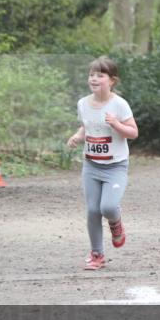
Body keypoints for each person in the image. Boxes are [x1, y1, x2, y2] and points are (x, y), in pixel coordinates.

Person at [66, 57, 139, 271]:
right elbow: (86, 126)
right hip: (91, 166)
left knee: (107, 207)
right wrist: (78, 136)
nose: (94, 79)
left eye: (100, 75)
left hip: (116, 166)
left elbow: (133, 132)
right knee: (92, 211)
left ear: (112, 80)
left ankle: (116, 224)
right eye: (91, 75)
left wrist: (116, 124)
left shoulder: (119, 104)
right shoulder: (82, 103)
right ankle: (97, 254)